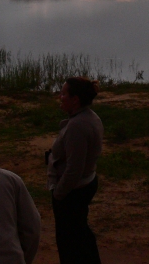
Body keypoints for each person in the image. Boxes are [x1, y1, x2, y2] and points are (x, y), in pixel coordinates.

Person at [47, 77, 104, 264]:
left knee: (69, 243)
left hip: (73, 191)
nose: (60, 97)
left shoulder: (77, 126)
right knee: (80, 234)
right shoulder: (90, 118)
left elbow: (74, 169)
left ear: (75, 100)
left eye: (64, 93)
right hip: (83, 185)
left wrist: (58, 193)